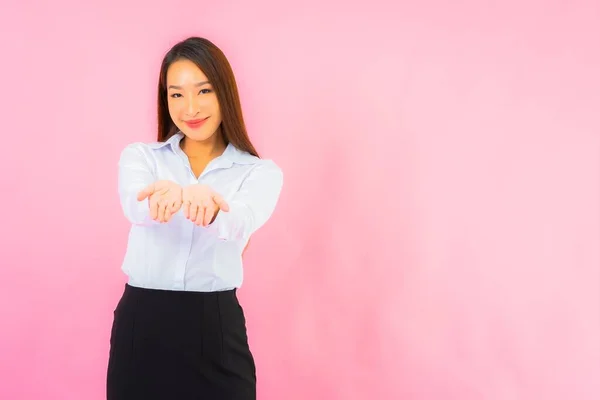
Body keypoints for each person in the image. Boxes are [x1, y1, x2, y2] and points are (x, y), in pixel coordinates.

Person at [106, 36, 283, 400]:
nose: (191, 108)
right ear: (165, 99)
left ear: (224, 92)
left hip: (214, 325)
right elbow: (136, 206)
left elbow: (242, 221)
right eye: (176, 94)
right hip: (143, 323)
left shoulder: (258, 172)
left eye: (203, 91)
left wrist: (213, 204)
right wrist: (174, 194)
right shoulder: (142, 157)